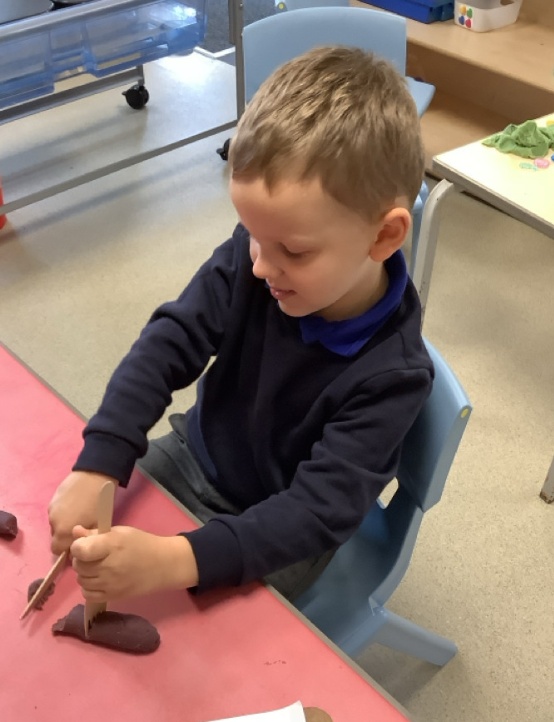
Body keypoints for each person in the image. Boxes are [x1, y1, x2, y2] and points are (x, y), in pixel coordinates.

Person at [48, 46, 433, 604]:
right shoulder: (259, 260)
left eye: (293, 251)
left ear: (384, 236)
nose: (259, 266)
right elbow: (168, 344)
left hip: (279, 528)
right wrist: (99, 464)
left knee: (192, 645)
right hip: (194, 456)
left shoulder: (394, 375)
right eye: (251, 233)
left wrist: (177, 560)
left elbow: (316, 512)